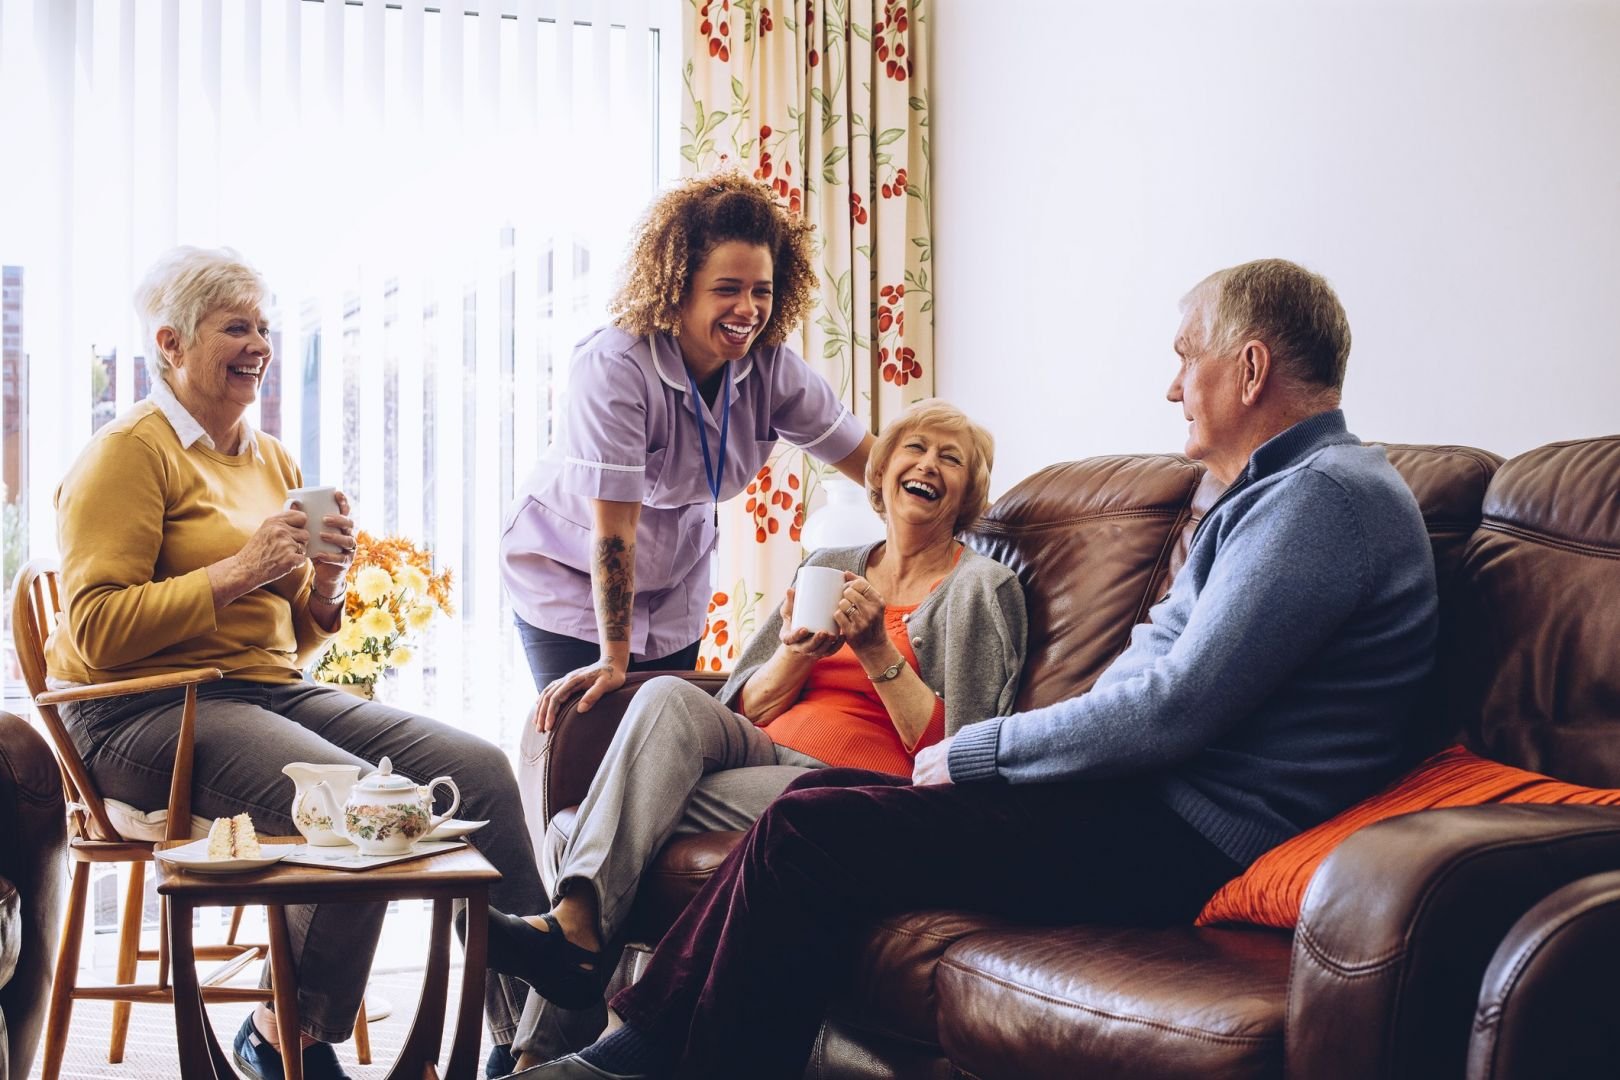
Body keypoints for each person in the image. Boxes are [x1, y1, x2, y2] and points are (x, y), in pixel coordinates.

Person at [516, 258, 1442, 1080]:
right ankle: (629, 1049)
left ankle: (636, 1057)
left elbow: (1174, 707)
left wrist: (986, 749)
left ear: (1249, 367)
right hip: (1135, 802)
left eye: (1184, 357)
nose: (1171, 388)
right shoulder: (1270, 494)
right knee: (802, 818)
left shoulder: (1324, 497)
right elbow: (1152, 694)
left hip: (1177, 834)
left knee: (813, 831)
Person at [45, 247, 545, 1080]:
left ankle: (531, 1045)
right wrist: (239, 568)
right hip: (134, 712)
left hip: (265, 690)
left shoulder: (271, 458)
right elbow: (94, 631)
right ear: (170, 342)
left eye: (265, 326)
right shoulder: (129, 453)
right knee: (355, 805)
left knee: (481, 771)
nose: (260, 344)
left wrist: (324, 586)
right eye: (235, 326)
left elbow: (292, 640)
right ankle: (287, 1038)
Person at [498, 401, 1026, 1067]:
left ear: (968, 492)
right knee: (662, 693)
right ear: (883, 470)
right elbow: (741, 702)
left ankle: (532, 1052)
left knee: (578, 831)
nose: (928, 465)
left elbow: (962, 753)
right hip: (760, 751)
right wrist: (800, 651)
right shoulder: (831, 562)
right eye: (914, 449)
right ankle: (560, 991)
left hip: (849, 788)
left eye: (950, 459)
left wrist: (872, 650)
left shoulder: (981, 587)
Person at [498, 169, 873, 823]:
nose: (747, 310)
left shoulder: (772, 369)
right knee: (586, 758)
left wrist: (958, 511)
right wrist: (614, 659)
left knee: (656, 776)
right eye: (725, 289)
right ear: (677, 290)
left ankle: (631, 926)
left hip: (673, 584)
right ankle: (558, 914)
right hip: (569, 575)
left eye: (760, 290)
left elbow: (871, 463)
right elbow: (613, 533)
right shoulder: (615, 368)